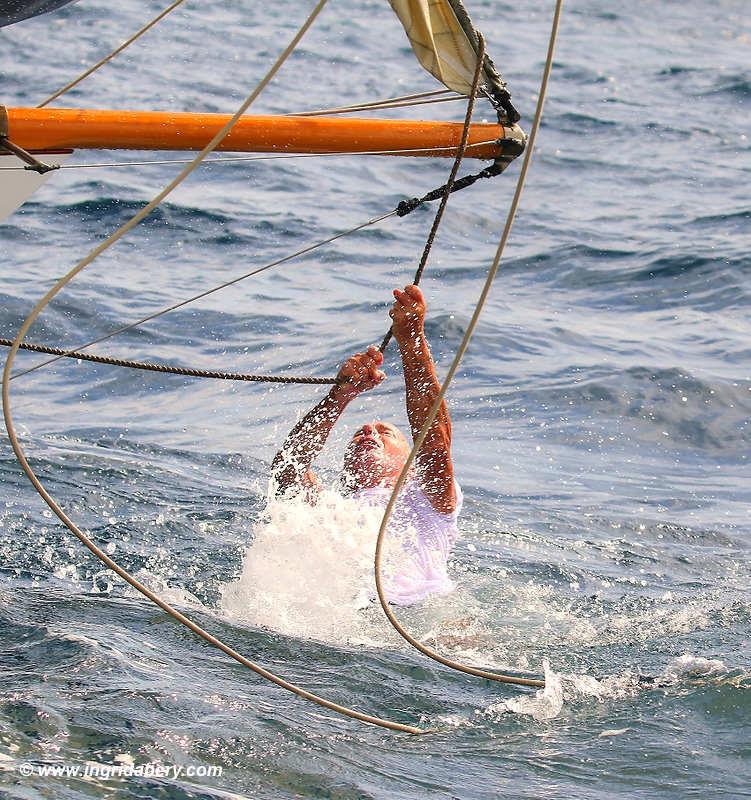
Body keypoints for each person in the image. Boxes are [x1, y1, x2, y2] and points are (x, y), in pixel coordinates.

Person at [271, 284, 462, 605]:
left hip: (419, 617)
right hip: (344, 620)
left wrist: (412, 339)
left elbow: (433, 444)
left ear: (408, 462)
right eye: (360, 433)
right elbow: (287, 471)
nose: (369, 433)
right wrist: (339, 396)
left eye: (385, 433)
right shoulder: (333, 511)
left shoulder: (427, 499)